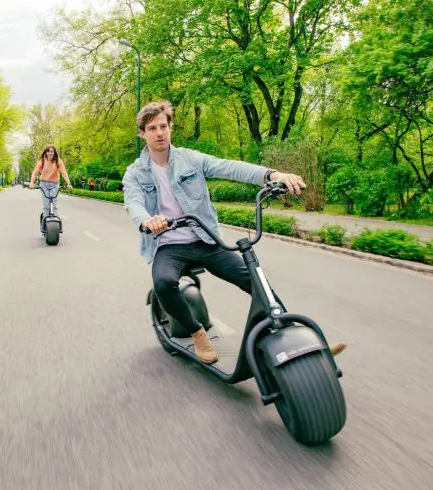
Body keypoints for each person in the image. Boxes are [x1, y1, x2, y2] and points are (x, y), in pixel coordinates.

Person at [122, 101, 347, 364]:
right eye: (152, 128)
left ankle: (295, 336)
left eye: (163, 126)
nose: (159, 133)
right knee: (162, 284)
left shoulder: (191, 159)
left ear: (171, 128)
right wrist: (148, 220)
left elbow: (230, 167)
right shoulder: (135, 173)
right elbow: (133, 202)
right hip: (168, 245)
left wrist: (273, 175)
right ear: (142, 133)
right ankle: (198, 333)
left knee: (254, 278)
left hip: (205, 239)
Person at [29, 145, 72, 227]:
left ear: (54, 152)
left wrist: (68, 183)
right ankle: (44, 225)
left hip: (55, 184)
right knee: (46, 205)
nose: (50, 153)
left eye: (52, 151)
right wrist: (31, 183)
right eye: (48, 151)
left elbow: (64, 173)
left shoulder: (58, 161)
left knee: (54, 204)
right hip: (44, 184)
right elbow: (35, 173)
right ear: (46, 152)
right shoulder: (42, 161)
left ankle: (55, 224)